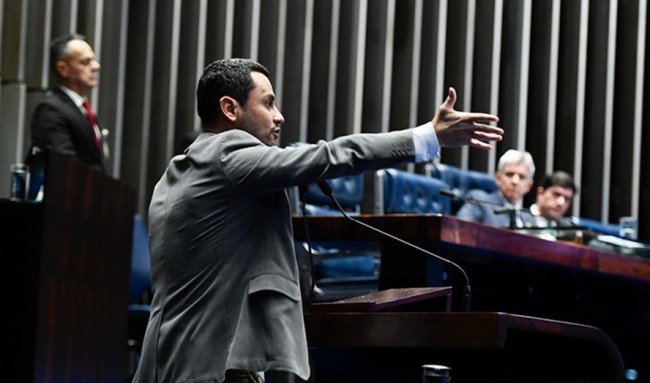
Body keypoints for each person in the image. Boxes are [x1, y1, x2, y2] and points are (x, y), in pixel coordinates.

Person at [132, 58, 503, 383]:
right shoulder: (226, 154)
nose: (279, 116)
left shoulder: (178, 171)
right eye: (268, 102)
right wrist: (425, 137)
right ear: (230, 109)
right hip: (214, 363)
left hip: (170, 358)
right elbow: (331, 156)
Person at [28, 33, 106, 173]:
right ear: (63, 69)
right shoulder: (51, 110)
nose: (96, 66)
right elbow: (63, 165)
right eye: (86, 62)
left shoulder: (83, 109)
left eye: (94, 60)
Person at [456, 149, 536, 228]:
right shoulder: (479, 202)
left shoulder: (529, 219)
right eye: (509, 174)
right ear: (498, 178)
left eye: (522, 177)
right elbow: (459, 230)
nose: (515, 181)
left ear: (528, 186)